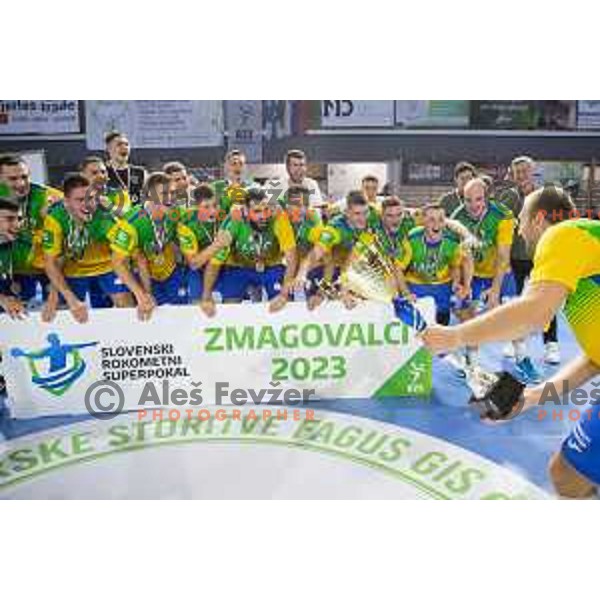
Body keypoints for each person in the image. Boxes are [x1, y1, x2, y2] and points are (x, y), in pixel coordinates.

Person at [422, 185, 600, 498]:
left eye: (521, 220)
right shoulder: (583, 258)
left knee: (568, 475)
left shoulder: (563, 235)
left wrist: (454, 336)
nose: (519, 231)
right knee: (567, 475)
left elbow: (532, 313)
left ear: (540, 219)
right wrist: (532, 397)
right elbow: (594, 360)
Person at [451, 178, 541, 382]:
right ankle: (472, 362)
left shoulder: (503, 216)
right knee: (468, 314)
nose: (473, 205)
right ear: (461, 198)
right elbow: (463, 258)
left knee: (512, 316)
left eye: (478, 199)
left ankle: (522, 359)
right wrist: (465, 285)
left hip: (501, 272)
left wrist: (495, 290)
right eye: (468, 200)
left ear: (487, 197)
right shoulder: (457, 218)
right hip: (474, 273)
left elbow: (503, 257)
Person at [42, 173, 132, 323]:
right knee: (62, 312)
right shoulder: (55, 219)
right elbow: (51, 262)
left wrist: (139, 292)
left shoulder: (104, 217)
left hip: (107, 266)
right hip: (73, 268)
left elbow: (124, 254)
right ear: (66, 202)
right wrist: (59, 297)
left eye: (90, 199)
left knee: (127, 308)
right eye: (79, 200)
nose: (87, 205)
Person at [499, 155, 560, 365]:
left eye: (525, 171)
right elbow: (500, 228)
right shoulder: (507, 197)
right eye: (517, 172)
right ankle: (511, 339)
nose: (522, 175)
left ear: (534, 171)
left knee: (545, 301)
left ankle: (551, 344)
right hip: (514, 258)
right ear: (512, 175)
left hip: (540, 257)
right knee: (511, 302)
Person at [200, 188, 297, 316]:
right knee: (230, 307)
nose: (263, 216)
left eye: (266, 210)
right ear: (245, 211)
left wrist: (284, 294)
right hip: (239, 266)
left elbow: (291, 258)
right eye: (256, 211)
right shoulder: (234, 220)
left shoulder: (278, 215)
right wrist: (206, 296)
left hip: (271, 265)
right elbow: (215, 261)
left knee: (286, 304)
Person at [107, 172, 188, 315]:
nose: (170, 198)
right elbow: (117, 262)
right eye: (164, 193)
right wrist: (141, 294)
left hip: (171, 271)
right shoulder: (132, 222)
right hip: (145, 275)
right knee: (151, 316)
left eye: (173, 193)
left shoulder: (176, 212)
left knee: (181, 315)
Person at [0, 154, 62, 305]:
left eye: (25, 177)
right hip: (10, 270)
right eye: (13, 179)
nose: (21, 183)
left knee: (59, 311)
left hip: (46, 268)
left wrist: (57, 216)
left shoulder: (49, 197)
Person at [397, 203, 470, 326]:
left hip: (442, 285)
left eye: (440, 219)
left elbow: (455, 266)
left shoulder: (452, 241)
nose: (436, 224)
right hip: (416, 284)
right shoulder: (412, 238)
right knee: (413, 322)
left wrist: (457, 282)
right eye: (431, 220)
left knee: (448, 319)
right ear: (423, 221)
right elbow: (398, 269)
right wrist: (405, 293)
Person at [176, 184, 229, 304]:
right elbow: (194, 264)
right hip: (196, 268)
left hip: (221, 264)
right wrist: (218, 244)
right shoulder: (186, 223)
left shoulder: (225, 217)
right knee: (196, 301)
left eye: (215, 205)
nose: (213, 211)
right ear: (195, 207)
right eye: (206, 207)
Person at [0, 196, 28, 319]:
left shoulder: (22, 243)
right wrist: (2, 299)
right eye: (10, 219)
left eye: (20, 219)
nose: (17, 225)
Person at [104, 131, 146, 205]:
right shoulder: (102, 172)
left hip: (136, 215)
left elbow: (149, 197)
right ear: (109, 149)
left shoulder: (140, 172)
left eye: (127, 144)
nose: (124, 147)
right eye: (119, 144)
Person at [212, 149, 253, 214]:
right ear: (226, 166)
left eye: (241, 163)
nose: (237, 166)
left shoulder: (252, 187)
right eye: (234, 163)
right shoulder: (217, 187)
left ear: (245, 167)